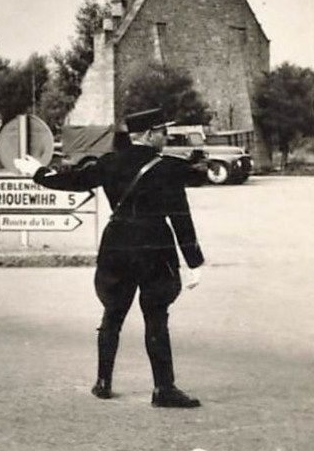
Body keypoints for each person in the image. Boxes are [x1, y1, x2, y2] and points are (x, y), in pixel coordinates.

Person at [14, 108, 206, 408]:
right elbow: (180, 215)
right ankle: (163, 389)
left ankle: (103, 383)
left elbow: (74, 181)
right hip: (154, 247)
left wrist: (38, 173)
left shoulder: (110, 163)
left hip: (117, 244)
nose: (166, 137)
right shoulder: (167, 168)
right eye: (162, 132)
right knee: (156, 317)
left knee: (113, 314)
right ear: (148, 134)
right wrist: (194, 262)